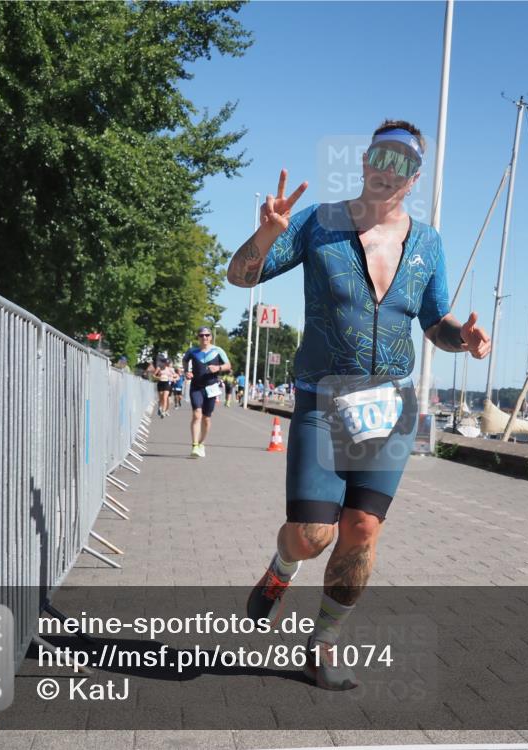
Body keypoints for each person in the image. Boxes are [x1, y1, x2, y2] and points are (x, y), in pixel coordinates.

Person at [226, 120, 491, 690]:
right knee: (312, 535)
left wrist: (460, 338)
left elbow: (434, 321)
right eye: (382, 157)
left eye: (403, 163)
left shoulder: (429, 243)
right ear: (367, 162)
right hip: (322, 398)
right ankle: (282, 567)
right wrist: (267, 234)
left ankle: (321, 647)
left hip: (389, 404)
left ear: (414, 177)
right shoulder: (318, 223)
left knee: (363, 529)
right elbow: (240, 276)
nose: (389, 170)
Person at [182, 327, 231, 458]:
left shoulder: (217, 350)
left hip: (211, 387)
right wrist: (186, 371)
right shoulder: (192, 351)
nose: (204, 337)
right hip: (196, 387)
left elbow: (228, 365)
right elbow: (185, 360)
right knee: (197, 415)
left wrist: (218, 368)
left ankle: (202, 443)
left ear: (211, 337)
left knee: (206, 418)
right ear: (198, 337)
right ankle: (194, 445)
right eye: (201, 335)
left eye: (207, 335)